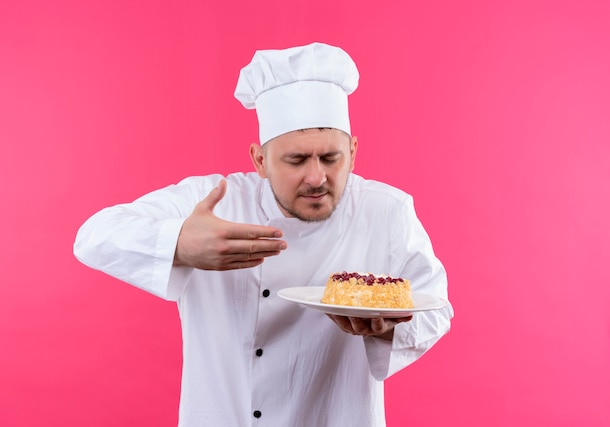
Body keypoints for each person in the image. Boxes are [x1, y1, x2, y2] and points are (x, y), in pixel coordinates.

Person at [74, 42, 453, 427]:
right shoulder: (214, 201)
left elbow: (436, 307)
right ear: (259, 160)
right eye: (296, 160)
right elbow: (93, 236)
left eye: (331, 158)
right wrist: (180, 244)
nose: (316, 177)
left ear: (353, 152)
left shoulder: (386, 210)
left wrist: (388, 328)